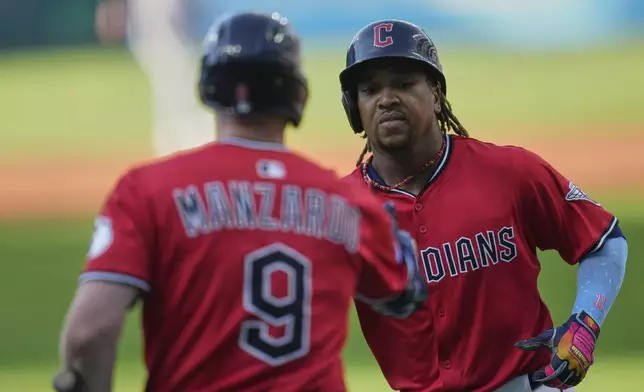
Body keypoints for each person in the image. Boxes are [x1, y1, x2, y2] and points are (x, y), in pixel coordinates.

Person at [53, 12, 428, 392]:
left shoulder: (147, 190)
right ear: (296, 93)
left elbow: (89, 331)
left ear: (210, 86)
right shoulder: (349, 200)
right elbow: (404, 292)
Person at [339, 19, 628, 392]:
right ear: (354, 107)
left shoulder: (509, 172)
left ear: (437, 93)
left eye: (405, 83)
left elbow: (604, 240)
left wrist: (586, 320)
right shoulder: (340, 208)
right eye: (370, 89)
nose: (387, 98)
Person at [95, 0, 218, 156]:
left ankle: (180, 136)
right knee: (172, 78)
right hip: (155, 23)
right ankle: (176, 137)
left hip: (173, 25)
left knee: (180, 78)